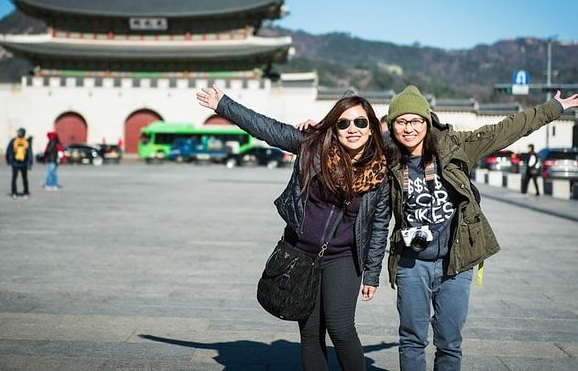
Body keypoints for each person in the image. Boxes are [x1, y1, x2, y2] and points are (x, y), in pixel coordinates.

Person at [384, 85, 578, 371]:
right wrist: (311, 130)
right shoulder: (386, 158)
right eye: (401, 121)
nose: (409, 128)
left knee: (449, 343)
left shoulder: (455, 145)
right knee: (412, 340)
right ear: (392, 126)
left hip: (457, 262)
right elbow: (346, 138)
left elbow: (505, 130)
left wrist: (554, 108)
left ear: (427, 121)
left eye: (416, 120)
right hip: (413, 264)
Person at [197, 85, 390, 371]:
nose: (353, 129)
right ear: (334, 127)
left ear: (372, 128)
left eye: (361, 122)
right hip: (301, 256)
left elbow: (378, 226)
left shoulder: (381, 171)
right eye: (344, 122)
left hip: (344, 259)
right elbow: (267, 129)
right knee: (310, 333)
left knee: (340, 327)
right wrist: (223, 104)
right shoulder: (312, 147)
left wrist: (372, 273)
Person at [6, 127, 33, 199]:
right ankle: (26, 193)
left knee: (14, 178)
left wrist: (8, 160)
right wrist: (30, 163)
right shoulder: (26, 141)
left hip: (15, 163)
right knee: (24, 178)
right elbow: (30, 152)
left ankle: (14, 193)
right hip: (24, 163)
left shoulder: (13, 141)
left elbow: (8, 151)